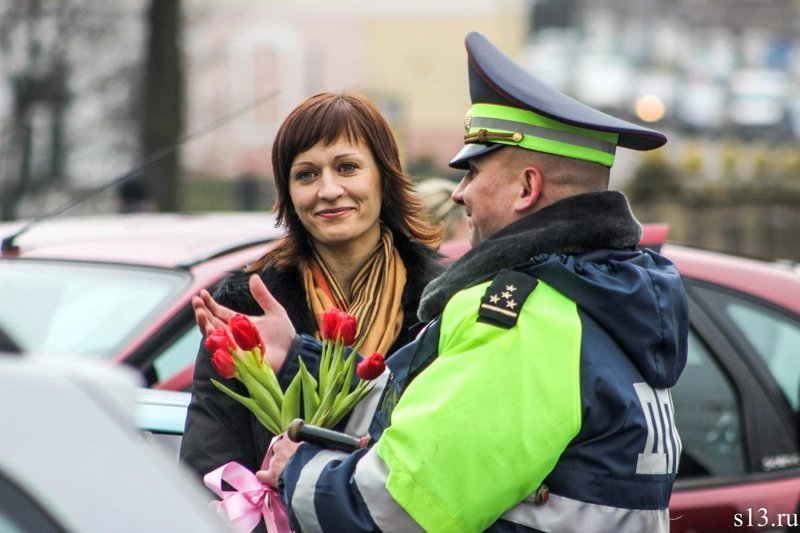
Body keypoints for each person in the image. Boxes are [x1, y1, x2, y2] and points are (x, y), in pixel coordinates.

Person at [205, 32, 689, 532]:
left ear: (527, 187)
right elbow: (426, 403)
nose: (459, 194)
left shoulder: (524, 323)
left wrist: (297, 471)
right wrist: (298, 358)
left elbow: (395, 507)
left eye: (473, 171)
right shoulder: (602, 301)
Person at [180, 91, 444, 486]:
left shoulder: (443, 303)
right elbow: (209, 471)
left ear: (383, 176)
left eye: (347, 167)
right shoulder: (244, 308)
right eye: (306, 174)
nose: (329, 190)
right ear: (288, 193)